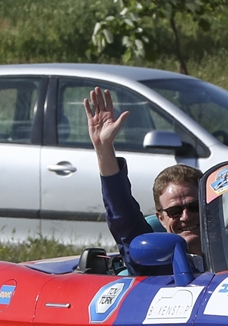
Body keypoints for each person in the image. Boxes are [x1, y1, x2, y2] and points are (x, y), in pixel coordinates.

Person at [84, 87, 202, 256]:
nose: (186, 216)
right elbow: (123, 218)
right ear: (161, 218)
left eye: (195, 207)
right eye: (175, 211)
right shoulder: (151, 262)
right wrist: (104, 147)